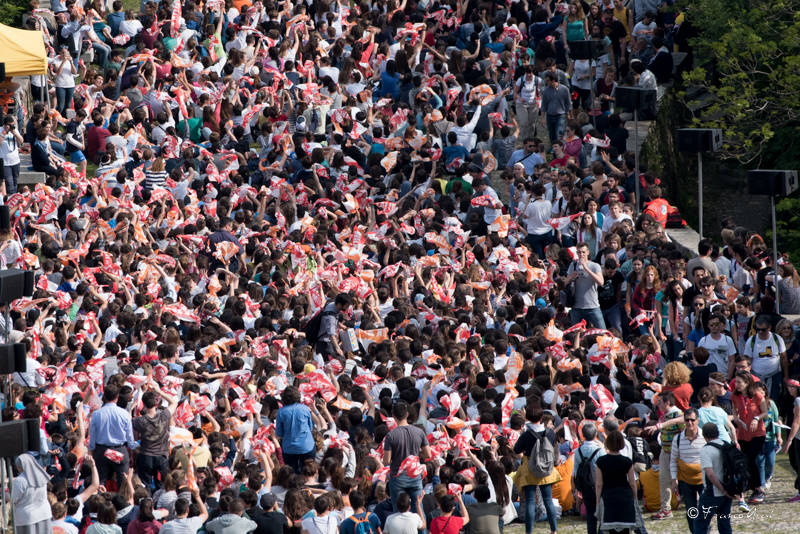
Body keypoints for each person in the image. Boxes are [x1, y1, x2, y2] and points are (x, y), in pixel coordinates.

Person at [513, 406, 560, 534]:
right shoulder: (550, 433)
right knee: (548, 500)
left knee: (530, 501)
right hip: (546, 468)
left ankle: (529, 531)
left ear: (527, 418)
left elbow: (516, 450)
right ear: (541, 418)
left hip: (530, 468)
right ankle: (554, 530)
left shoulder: (526, 434)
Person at [383, 400, 430, 510]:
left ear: (393, 416)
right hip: (415, 475)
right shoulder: (419, 432)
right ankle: (422, 527)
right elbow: (428, 454)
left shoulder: (391, 435)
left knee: (398, 509)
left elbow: (386, 461)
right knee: (418, 508)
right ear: (407, 414)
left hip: (397, 477)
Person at [731, 371, 768, 508]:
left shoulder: (757, 396)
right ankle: (750, 487)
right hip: (743, 432)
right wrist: (736, 417)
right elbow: (735, 410)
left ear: (747, 383)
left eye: (740, 382)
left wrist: (757, 418)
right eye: (736, 382)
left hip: (757, 432)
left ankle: (758, 487)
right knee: (745, 460)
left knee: (751, 459)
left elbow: (765, 413)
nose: (737, 384)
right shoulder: (735, 395)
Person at [88, 383, 136, 485]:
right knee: (123, 484)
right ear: (117, 397)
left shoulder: (97, 414)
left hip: (102, 451)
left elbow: (92, 437)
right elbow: (130, 438)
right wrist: (132, 450)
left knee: (99, 483)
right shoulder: (124, 414)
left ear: (104, 396)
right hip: (118, 450)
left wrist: (91, 452)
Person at [133, 384, 178, 491]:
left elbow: (134, 439)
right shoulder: (164, 416)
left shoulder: (139, 421)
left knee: (146, 485)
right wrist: (159, 392)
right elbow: (174, 402)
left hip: (146, 456)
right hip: (161, 457)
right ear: (156, 403)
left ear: (143, 404)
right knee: (162, 486)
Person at [595, 430, 640, 532]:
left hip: (608, 496)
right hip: (625, 496)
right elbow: (632, 483)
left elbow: (599, 484)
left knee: (610, 529)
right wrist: (635, 498)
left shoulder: (601, 461)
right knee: (625, 528)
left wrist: (597, 500)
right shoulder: (627, 461)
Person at [669, 408, 705, 534]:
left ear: (698, 420)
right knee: (690, 510)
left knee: (705, 508)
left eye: (692, 420)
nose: (689, 423)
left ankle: (703, 529)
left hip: (703, 479)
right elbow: (673, 460)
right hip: (686, 480)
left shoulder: (704, 436)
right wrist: (674, 480)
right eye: (687, 420)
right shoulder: (678, 439)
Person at [695, 423, 733, 534]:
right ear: (717, 433)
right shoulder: (726, 445)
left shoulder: (706, 450)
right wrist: (727, 491)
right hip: (728, 491)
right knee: (724, 524)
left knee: (700, 524)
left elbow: (710, 474)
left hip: (712, 493)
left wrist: (722, 490)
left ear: (704, 435)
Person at [742, 316, 787, 402]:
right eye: (757, 329)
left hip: (774, 375)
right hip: (756, 376)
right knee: (757, 399)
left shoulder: (777, 339)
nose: (760, 332)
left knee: (773, 400)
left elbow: (784, 358)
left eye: (763, 329)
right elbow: (747, 360)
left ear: (769, 328)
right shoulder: (752, 340)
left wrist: (786, 376)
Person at [572, 423, 604, 534]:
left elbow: (575, 471)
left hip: (585, 485)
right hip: (599, 483)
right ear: (596, 434)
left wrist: (576, 488)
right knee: (603, 513)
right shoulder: (600, 450)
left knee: (591, 515)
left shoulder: (578, 451)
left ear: (582, 435)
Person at [565, 242, 606, 329]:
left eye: (583, 252)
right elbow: (564, 283)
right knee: (576, 334)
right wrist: (571, 277)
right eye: (579, 252)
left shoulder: (595, 266)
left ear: (588, 252)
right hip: (576, 307)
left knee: (602, 332)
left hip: (593, 306)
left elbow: (601, 282)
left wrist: (586, 268)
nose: (581, 254)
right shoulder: (573, 265)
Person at [276, 386, 315, 473]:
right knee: (308, 473)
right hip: (307, 446)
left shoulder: (281, 412)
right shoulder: (305, 409)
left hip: (289, 448)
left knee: (291, 474)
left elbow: (279, 433)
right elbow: (310, 427)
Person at [12, 453, 52, 534]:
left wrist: (6, 493)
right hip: (44, 513)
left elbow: (13, 499)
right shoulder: (41, 476)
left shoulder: (20, 480)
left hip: (27, 517)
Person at [521, 183, 554, 259]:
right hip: (547, 232)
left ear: (532, 193)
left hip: (534, 234)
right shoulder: (548, 203)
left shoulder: (531, 205)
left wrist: (527, 202)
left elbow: (524, 216)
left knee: (538, 257)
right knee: (548, 256)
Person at [781, 378, 800, 502]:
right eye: (788, 387)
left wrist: (789, 440)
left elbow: (796, 421)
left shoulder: (798, 400)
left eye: (792, 387)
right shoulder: (790, 400)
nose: (790, 389)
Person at [539, 72, 572, 144]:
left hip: (561, 116)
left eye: (548, 81)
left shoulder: (564, 89)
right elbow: (543, 105)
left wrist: (569, 114)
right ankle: (554, 150)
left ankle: (560, 150)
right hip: (550, 116)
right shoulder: (546, 91)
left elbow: (568, 103)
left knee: (559, 135)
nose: (546, 82)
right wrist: (542, 118)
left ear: (553, 80)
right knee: (552, 135)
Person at [0, 115, 24, 195]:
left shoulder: (14, 130)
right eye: (10, 125)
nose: (12, 127)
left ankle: (14, 198)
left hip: (15, 161)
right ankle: (11, 201)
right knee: (9, 185)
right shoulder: (0, 130)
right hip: (5, 163)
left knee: (15, 182)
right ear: (5, 125)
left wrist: (15, 133)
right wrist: (4, 132)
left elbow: (21, 141)